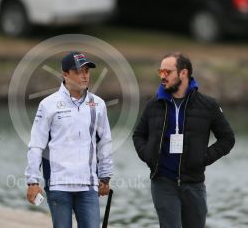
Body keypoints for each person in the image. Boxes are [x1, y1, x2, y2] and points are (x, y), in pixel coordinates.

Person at [133, 52, 235, 228]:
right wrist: (148, 155)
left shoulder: (208, 105)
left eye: (168, 71)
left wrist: (203, 158)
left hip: (194, 183)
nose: (163, 76)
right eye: (161, 72)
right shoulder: (154, 104)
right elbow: (138, 135)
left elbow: (227, 138)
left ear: (183, 73)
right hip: (163, 182)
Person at [25, 52, 113, 228]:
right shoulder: (47, 105)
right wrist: (33, 181)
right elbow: (36, 145)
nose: (85, 75)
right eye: (79, 71)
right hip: (58, 185)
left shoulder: (98, 104)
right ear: (65, 74)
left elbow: (105, 142)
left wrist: (105, 176)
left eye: (87, 71)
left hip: (88, 185)